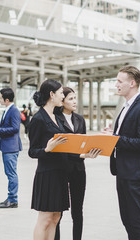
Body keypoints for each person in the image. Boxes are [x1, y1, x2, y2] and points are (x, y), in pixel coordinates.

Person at [106, 66, 140, 240]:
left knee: (137, 220)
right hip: (123, 171)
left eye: (120, 81)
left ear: (132, 83)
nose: (116, 85)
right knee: (127, 219)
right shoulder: (127, 106)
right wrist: (113, 135)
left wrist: (115, 139)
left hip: (134, 173)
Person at [54, 87, 101, 240]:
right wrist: (80, 154)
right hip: (61, 169)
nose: (74, 102)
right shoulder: (55, 119)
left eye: (75, 98)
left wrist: (88, 153)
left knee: (77, 211)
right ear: (62, 101)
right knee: (58, 212)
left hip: (79, 169)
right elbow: (59, 147)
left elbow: (84, 143)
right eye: (70, 99)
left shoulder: (80, 119)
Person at [28, 79, 69, 240]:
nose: (63, 96)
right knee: (45, 219)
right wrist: (47, 149)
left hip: (60, 172)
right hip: (47, 174)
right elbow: (32, 151)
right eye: (60, 93)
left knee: (55, 218)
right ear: (52, 95)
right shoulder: (38, 119)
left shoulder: (57, 117)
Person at [0, 88, 22, 208]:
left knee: (11, 174)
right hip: (8, 146)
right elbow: (8, 125)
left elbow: (15, 128)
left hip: (11, 147)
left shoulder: (14, 111)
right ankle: (11, 198)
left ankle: (13, 200)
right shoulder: (8, 110)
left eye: (1, 97)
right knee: (10, 173)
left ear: (6, 100)